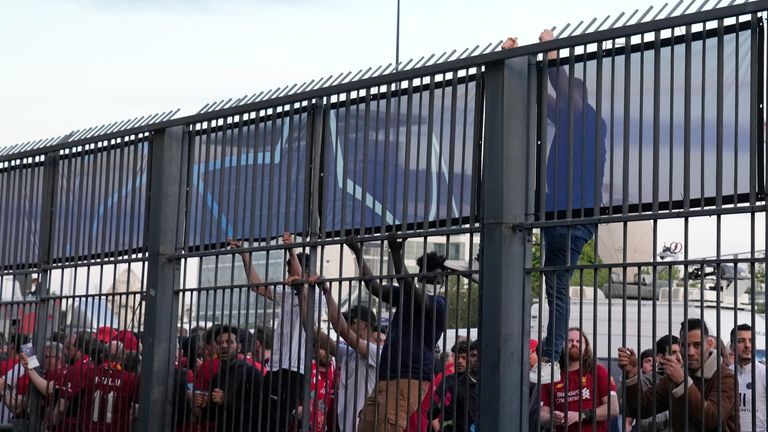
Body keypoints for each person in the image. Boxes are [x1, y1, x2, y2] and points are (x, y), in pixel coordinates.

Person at [506, 28, 607, 384]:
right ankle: (550, 353)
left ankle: (551, 355)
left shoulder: (590, 119)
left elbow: (558, 89)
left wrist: (551, 54)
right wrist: (516, 60)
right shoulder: (566, 120)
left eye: (569, 98)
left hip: (574, 216)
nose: (560, 103)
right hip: (557, 215)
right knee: (554, 285)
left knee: (557, 285)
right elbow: (541, 97)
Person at [347, 234, 448, 432]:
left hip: (409, 377)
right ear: (421, 277)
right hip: (386, 377)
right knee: (366, 424)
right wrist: (358, 252)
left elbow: (409, 287)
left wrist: (396, 253)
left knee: (388, 426)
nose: (435, 282)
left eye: (439, 278)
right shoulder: (405, 296)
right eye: (430, 277)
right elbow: (374, 287)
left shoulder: (438, 304)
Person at [229, 232, 324, 432]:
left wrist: (291, 249)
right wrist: (245, 256)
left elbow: (302, 287)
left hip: (295, 368)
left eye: (289, 269)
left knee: (279, 420)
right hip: (276, 366)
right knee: (262, 418)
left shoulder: (315, 295)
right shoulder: (289, 293)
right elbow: (258, 287)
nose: (287, 275)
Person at [618, 318, 739, 431]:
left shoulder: (726, 377)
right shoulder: (674, 376)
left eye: (697, 345)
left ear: (710, 344)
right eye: (686, 345)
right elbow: (641, 409)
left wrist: (682, 382)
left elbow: (711, 419)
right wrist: (633, 374)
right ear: (680, 345)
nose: (690, 352)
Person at [308, 275, 381, 432]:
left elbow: (341, 330)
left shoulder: (375, 352)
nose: (348, 325)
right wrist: (302, 294)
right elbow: (311, 331)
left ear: (365, 326)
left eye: (352, 321)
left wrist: (326, 291)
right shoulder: (347, 352)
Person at [540, 327, 619, 431]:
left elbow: (613, 409)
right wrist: (552, 419)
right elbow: (541, 415)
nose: (574, 344)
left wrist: (581, 415)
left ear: (586, 347)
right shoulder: (551, 376)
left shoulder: (598, 371)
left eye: (578, 341)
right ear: (562, 346)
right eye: (570, 341)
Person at [196, 325, 262, 432]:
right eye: (219, 343)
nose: (224, 346)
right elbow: (215, 414)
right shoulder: (217, 376)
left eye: (229, 342)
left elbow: (258, 410)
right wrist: (206, 403)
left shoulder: (251, 373)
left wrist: (225, 401)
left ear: (239, 347)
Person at [630, 335, 680, 432]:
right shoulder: (646, 381)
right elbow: (640, 416)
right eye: (674, 353)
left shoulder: (689, 377)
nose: (679, 357)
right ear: (661, 358)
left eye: (680, 351)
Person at [730, 323, 767, 432]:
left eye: (751, 341)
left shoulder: (764, 373)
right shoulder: (726, 373)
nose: (747, 345)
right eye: (741, 341)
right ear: (731, 347)